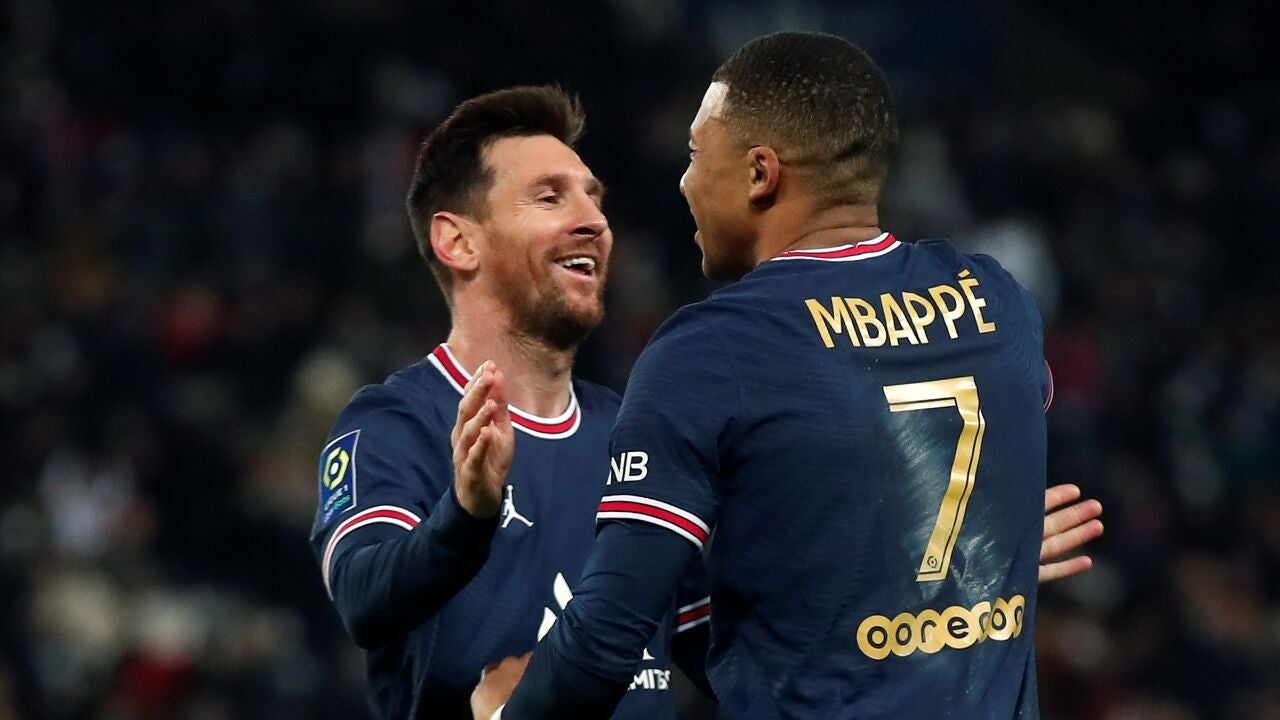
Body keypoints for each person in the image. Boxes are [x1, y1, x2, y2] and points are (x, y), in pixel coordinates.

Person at [309, 83, 1101, 719]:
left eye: (593, 198)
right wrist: (466, 517)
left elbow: (729, 644)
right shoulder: (396, 425)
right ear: (458, 241)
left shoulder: (631, 426)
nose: (593, 221)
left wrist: (939, 574)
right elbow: (367, 601)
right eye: (550, 198)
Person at [488, 33, 1072, 719]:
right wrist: (960, 568)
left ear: (760, 173)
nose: (683, 182)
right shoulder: (999, 302)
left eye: (695, 154)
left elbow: (603, 641)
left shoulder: (714, 350)